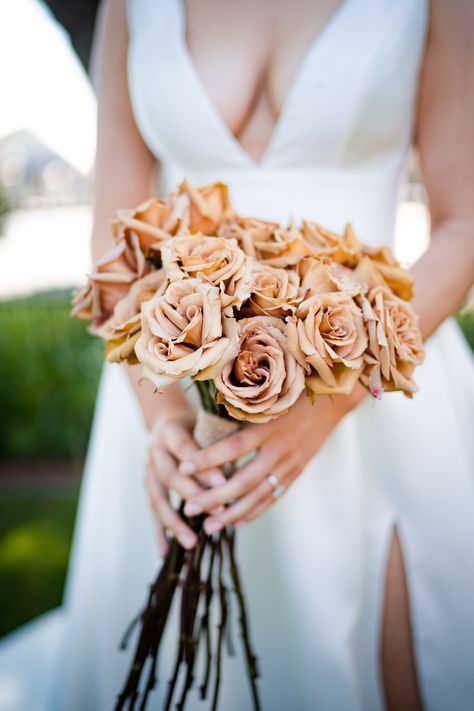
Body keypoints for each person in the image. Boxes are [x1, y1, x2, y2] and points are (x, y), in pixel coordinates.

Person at [1, 0, 473, 709]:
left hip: (377, 395)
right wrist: (165, 417)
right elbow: (113, 238)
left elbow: (465, 221)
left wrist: (332, 400)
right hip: (170, 388)